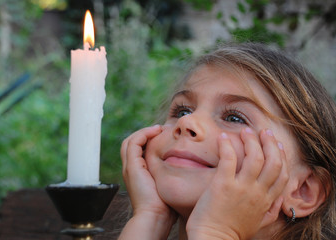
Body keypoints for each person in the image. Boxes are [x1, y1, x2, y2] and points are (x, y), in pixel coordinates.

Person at [118, 42, 336, 240]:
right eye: (182, 111)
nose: (188, 123)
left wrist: (215, 234)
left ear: (303, 191)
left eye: (234, 118)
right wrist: (150, 219)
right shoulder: (146, 224)